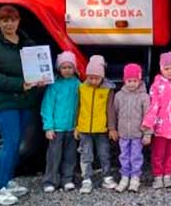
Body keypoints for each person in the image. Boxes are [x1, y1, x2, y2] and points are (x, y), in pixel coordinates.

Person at [0, 4, 45, 206]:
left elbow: (37, 67)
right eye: (5, 20)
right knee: (10, 142)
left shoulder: (25, 42)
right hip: (3, 102)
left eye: (12, 19)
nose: (9, 24)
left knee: (17, 143)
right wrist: (19, 84)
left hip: (22, 101)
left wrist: (41, 79)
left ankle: (8, 181)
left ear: (18, 21)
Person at [142, 52, 171, 189]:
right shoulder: (156, 86)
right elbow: (153, 105)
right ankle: (158, 176)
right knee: (158, 153)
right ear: (161, 68)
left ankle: (168, 175)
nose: (169, 71)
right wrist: (149, 122)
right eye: (166, 68)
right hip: (160, 126)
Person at [74, 55, 116, 194]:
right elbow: (78, 107)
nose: (93, 81)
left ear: (102, 77)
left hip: (101, 128)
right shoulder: (82, 88)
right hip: (85, 128)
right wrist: (76, 126)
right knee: (86, 154)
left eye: (96, 78)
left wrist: (111, 128)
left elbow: (110, 109)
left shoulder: (107, 90)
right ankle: (86, 179)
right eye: (90, 77)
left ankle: (107, 177)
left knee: (104, 153)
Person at [40, 50, 81, 193]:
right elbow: (47, 106)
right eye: (64, 67)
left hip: (71, 127)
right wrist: (48, 126)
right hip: (56, 128)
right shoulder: (54, 85)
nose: (67, 70)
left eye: (70, 67)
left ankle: (67, 179)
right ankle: (50, 180)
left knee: (70, 156)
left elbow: (81, 106)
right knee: (53, 156)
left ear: (74, 68)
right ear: (59, 69)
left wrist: (78, 125)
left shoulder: (78, 84)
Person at [108, 63, 151, 193]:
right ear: (124, 80)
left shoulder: (144, 96)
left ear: (139, 80)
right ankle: (124, 177)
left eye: (134, 81)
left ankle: (135, 177)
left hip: (137, 134)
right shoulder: (119, 96)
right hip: (123, 133)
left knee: (136, 156)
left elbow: (148, 116)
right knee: (124, 155)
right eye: (129, 81)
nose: (132, 83)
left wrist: (147, 133)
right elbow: (114, 113)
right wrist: (113, 128)